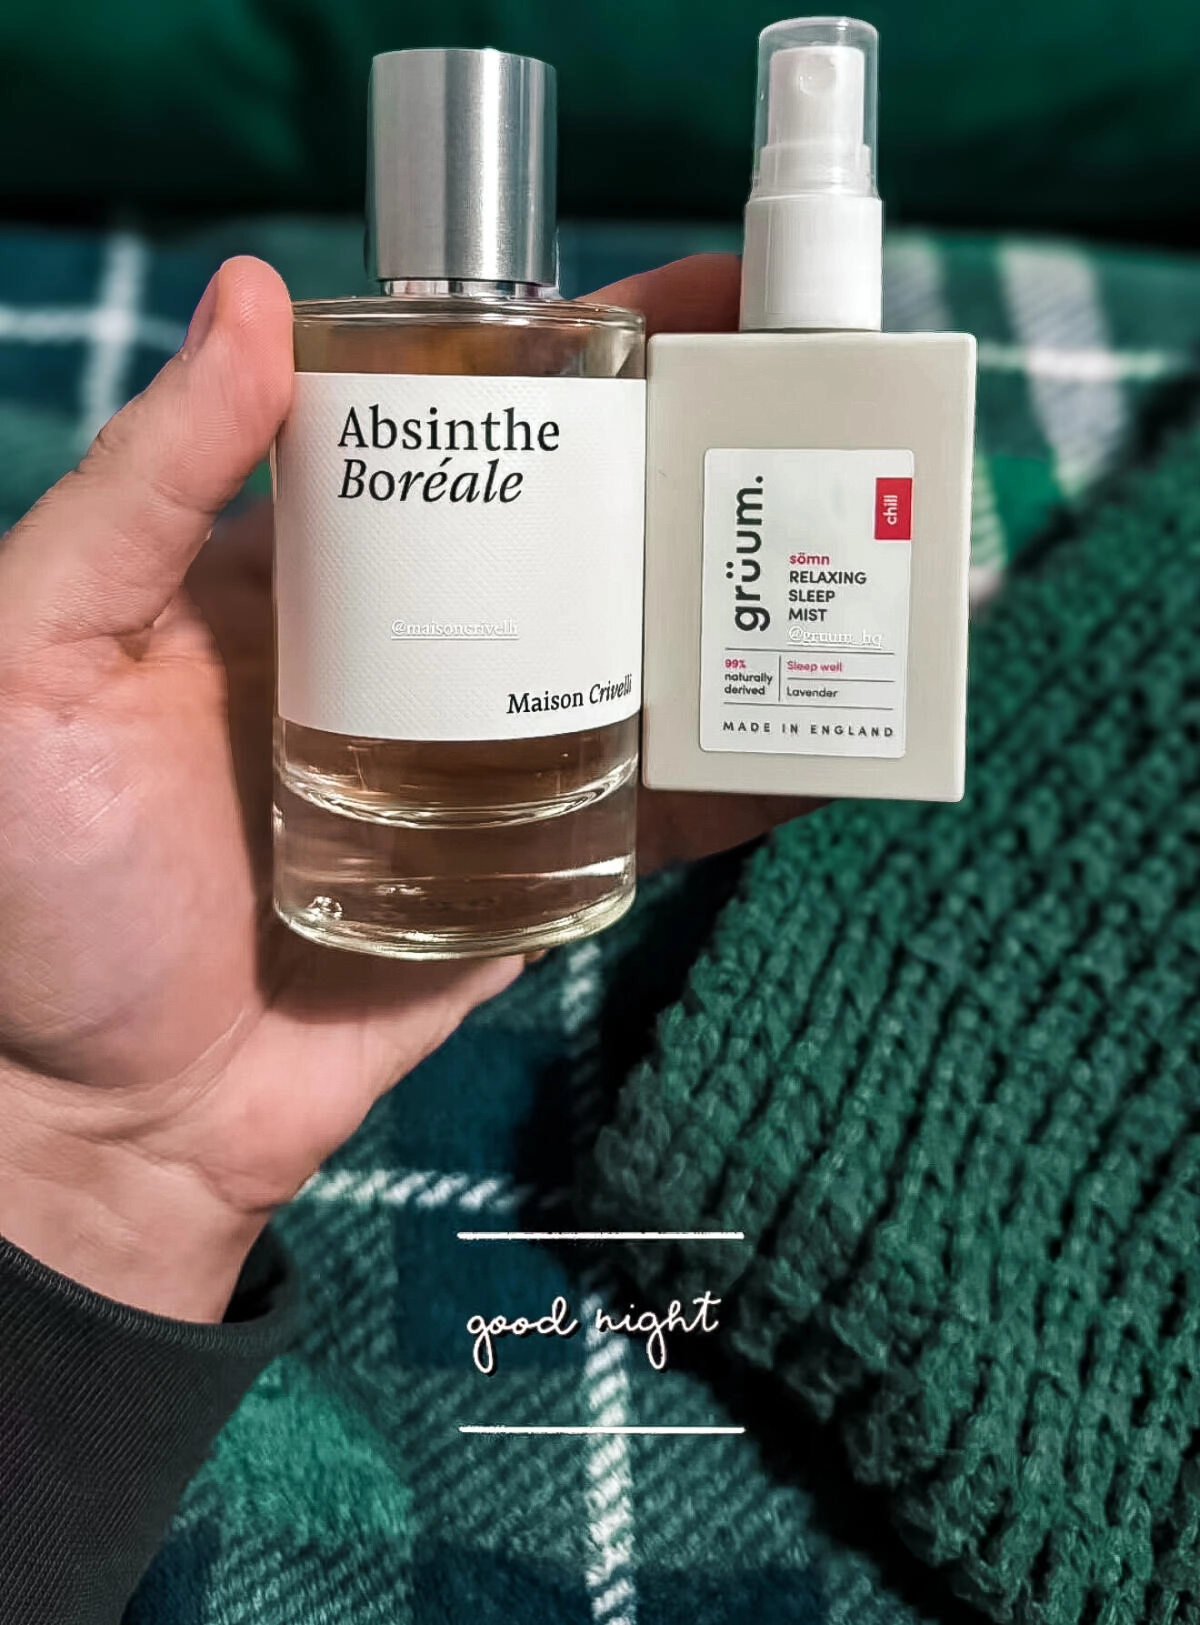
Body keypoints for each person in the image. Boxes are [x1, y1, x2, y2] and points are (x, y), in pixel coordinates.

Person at [0, 252, 803, 1623]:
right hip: (319, 845)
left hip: (560, 784)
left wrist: (81, 1165)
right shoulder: (345, 340)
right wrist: (66, 1136)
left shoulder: (584, 343)